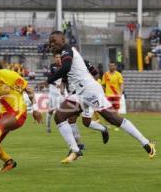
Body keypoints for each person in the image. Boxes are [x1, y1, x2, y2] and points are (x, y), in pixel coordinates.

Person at [38, 31, 155, 163]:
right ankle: (75, 150)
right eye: (50, 42)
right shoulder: (65, 54)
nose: (51, 44)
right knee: (60, 116)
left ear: (63, 39)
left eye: (54, 41)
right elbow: (66, 71)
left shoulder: (68, 50)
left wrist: (47, 81)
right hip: (79, 93)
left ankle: (146, 143)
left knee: (113, 119)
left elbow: (66, 68)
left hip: (90, 91)